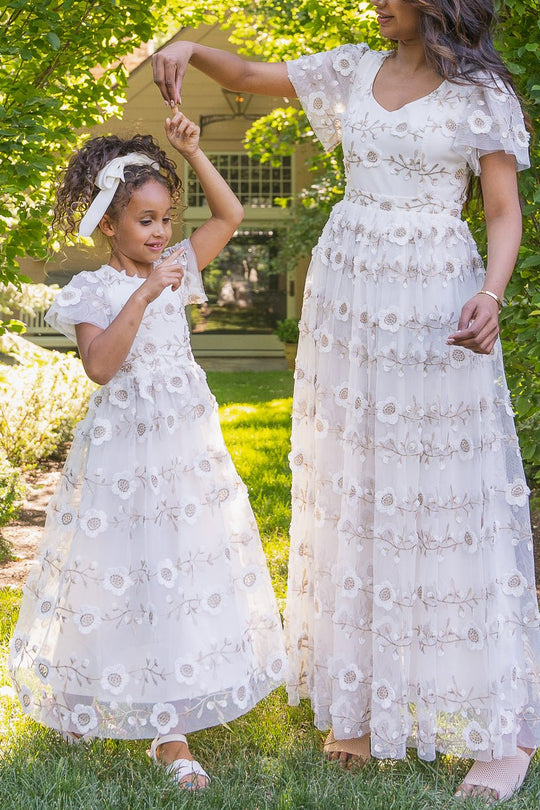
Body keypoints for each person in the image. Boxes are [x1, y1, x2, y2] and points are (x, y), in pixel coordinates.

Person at [152, 0, 540, 803]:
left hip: (438, 297)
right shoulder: (351, 69)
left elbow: (503, 211)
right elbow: (257, 78)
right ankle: (362, 706)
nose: (375, 4)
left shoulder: (483, 94)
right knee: (355, 488)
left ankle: (501, 733)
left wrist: (491, 294)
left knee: (444, 497)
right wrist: (190, 46)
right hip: (351, 296)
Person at [8, 110, 287, 790]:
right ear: (110, 224)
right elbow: (101, 365)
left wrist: (195, 153)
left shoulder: (176, 265)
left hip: (183, 447)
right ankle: (96, 694)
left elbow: (230, 214)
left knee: (178, 565)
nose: (162, 233)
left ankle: (170, 719)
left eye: (166, 219)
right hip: (122, 454)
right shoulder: (94, 289)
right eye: (146, 221)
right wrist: (144, 291)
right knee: (119, 568)